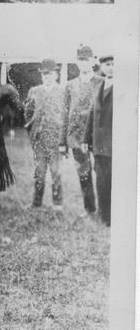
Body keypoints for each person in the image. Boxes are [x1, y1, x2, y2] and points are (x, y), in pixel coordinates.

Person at [59, 45, 102, 217]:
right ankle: (90, 209)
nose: (84, 63)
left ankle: (105, 209)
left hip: (97, 136)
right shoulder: (70, 85)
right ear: (77, 62)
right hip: (76, 137)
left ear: (93, 61)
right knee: (84, 174)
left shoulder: (101, 82)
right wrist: (62, 142)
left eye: (87, 59)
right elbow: (64, 113)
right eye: (81, 59)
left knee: (102, 173)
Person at [24, 58, 65, 211]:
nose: (47, 77)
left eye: (50, 74)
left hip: (55, 139)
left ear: (56, 75)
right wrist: (32, 130)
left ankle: (58, 204)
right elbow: (27, 113)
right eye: (44, 74)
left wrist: (63, 141)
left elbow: (65, 116)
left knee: (55, 172)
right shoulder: (34, 91)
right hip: (39, 139)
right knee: (39, 173)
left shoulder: (62, 91)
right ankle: (36, 203)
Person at [83, 54, 113, 226]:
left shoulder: (124, 86)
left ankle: (113, 217)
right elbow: (91, 113)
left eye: (113, 64)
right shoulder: (100, 86)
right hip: (99, 144)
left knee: (112, 180)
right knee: (101, 179)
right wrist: (86, 137)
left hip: (115, 144)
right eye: (106, 64)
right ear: (101, 67)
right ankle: (104, 216)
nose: (110, 67)